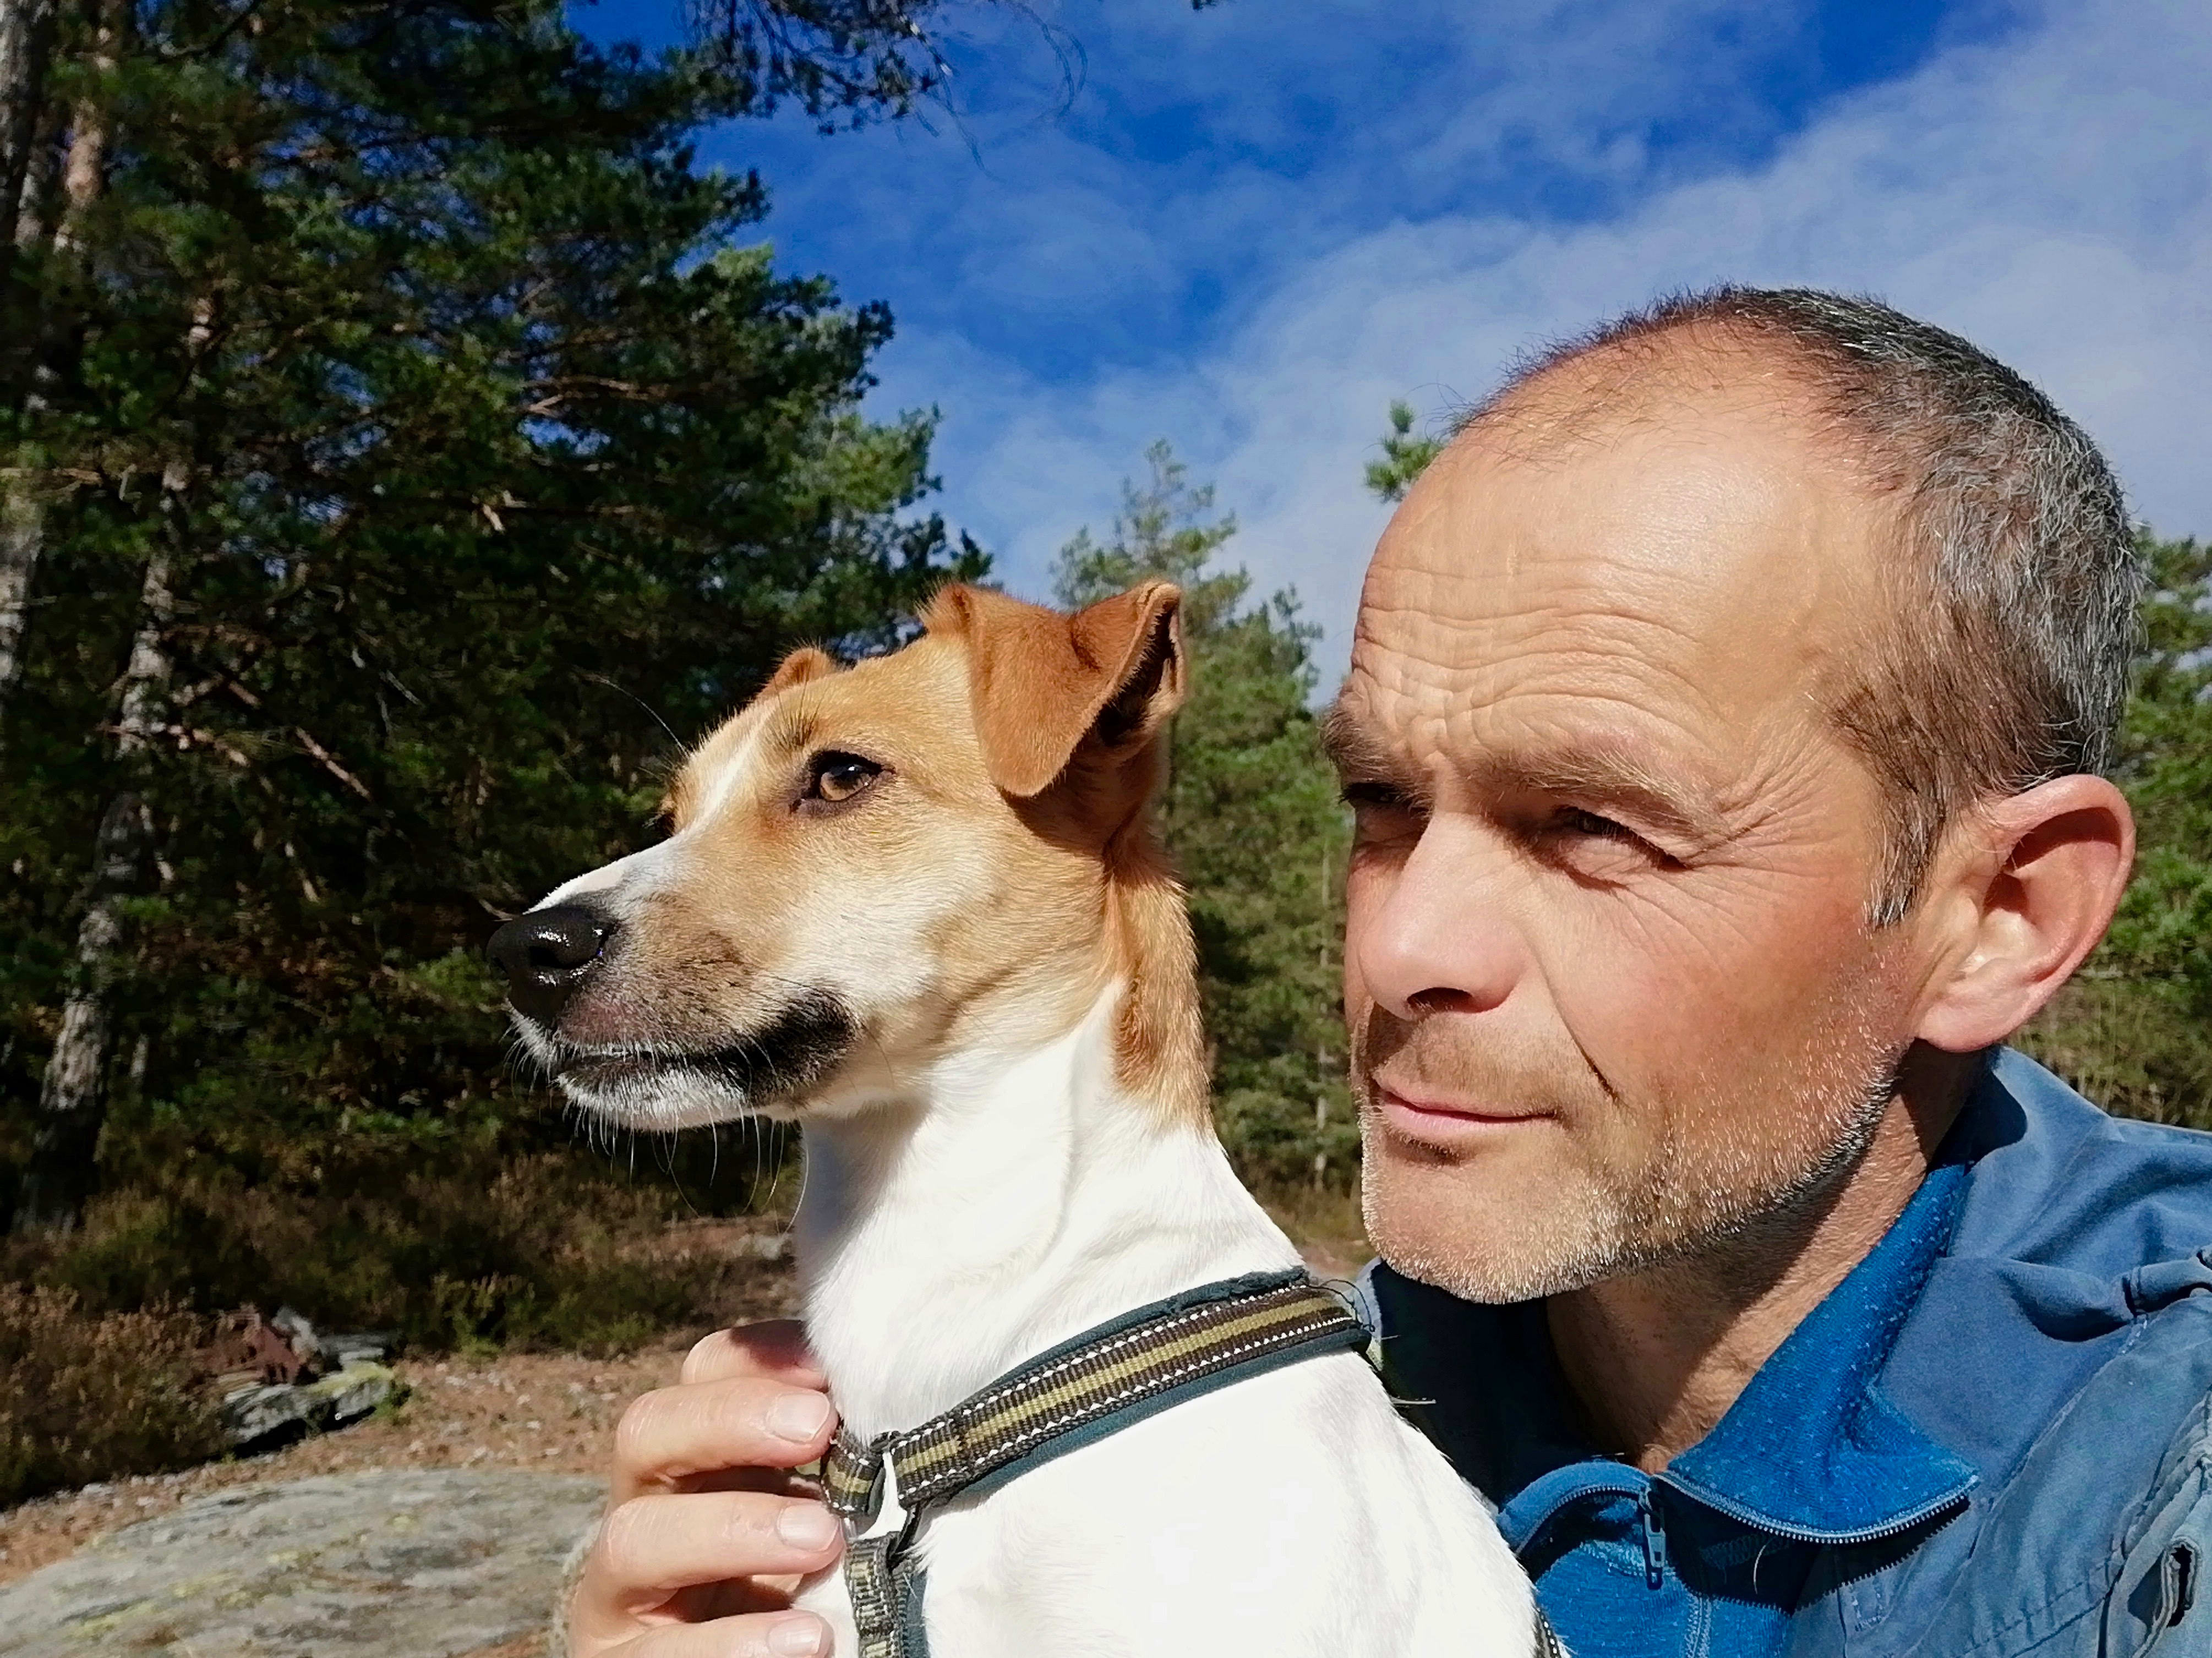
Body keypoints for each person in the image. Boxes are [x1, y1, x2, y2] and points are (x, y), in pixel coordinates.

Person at [558, 289, 2212, 1658]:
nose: (1402, 946)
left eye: (1591, 824)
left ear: (1998, 915)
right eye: (1378, 801)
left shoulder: (2164, 1471)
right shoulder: (1296, 1382)